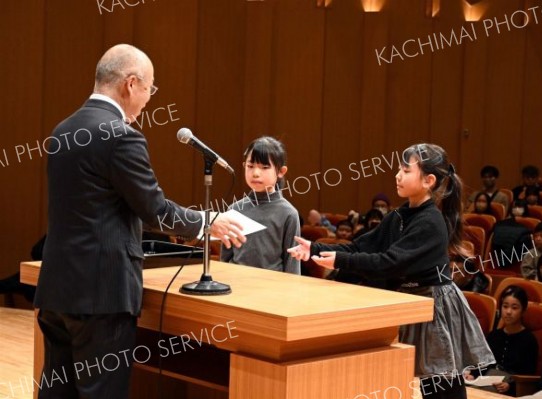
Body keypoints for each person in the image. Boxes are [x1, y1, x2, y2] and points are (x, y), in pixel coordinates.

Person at [34, 44, 246, 399]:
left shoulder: (62, 130)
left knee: (59, 393)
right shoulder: (121, 136)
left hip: (57, 289)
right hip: (102, 295)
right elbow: (155, 210)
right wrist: (207, 221)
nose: (149, 98)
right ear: (131, 84)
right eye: (150, 88)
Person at [288, 143, 495, 399]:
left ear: (429, 180)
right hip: (411, 301)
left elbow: (389, 262)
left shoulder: (430, 222)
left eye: (406, 170)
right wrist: (315, 248)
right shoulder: (400, 215)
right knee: (416, 379)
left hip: (435, 305)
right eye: (399, 168)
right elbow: (363, 245)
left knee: (441, 385)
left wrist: (340, 260)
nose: (397, 175)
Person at [221, 137, 300, 274]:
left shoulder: (288, 213)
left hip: (271, 288)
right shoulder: (234, 209)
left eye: (264, 167)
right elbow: (225, 258)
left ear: (281, 172)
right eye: (250, 166)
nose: (256, 173)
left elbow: (292, 263)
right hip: (236, 284)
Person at [467, 285, 538, 396]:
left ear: (523, 311)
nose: (508, 312)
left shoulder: (529, 340)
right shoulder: (494, 335)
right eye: (505, 306)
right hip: (487, 379)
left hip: (509, 384)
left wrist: (510, 385)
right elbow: (483, 363)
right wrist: (473, 375)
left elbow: (527, 374)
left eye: (514, 308)